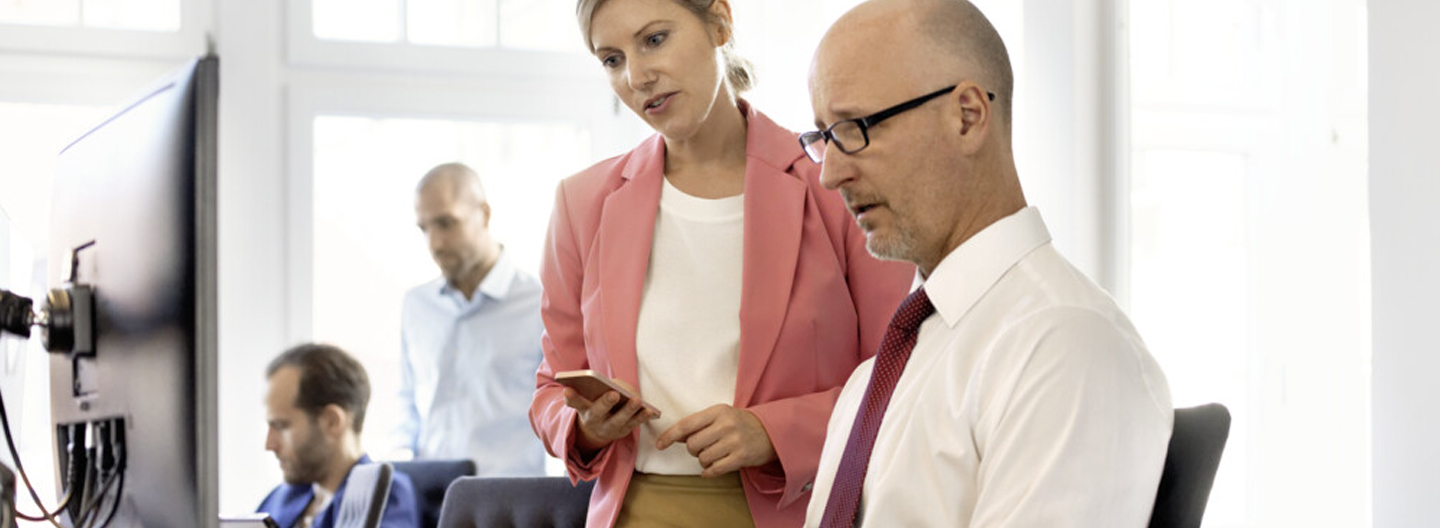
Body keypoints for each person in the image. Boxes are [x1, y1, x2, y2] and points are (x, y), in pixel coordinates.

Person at [529, 0, 913, 527]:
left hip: (799, 510)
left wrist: (774, 432)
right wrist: (590, 427)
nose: (638, 76)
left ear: (720, 22)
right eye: (612, 60)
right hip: (634, 513)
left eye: (655, 39)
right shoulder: (582, 203)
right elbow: (552, 389)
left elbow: (902, 377)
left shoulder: (834, 184)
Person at [801, 1, 1174, 526]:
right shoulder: (881, 373)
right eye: (824, 137)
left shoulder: (1063, 343)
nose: (830, 174)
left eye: (855, 128)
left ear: (967, 115)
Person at [392, 162, 546, 476]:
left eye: (446, 223)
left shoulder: (541, 304)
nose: (434, 244)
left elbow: (559, 414)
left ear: (484, 214)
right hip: (430, 501)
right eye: (425, 228)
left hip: (510, 506)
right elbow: (409, 405)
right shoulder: (417, 306)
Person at [259, 343, 419, 528]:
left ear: (332, 421)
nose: (269, 444)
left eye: (281, 426)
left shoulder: (384, 496)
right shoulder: (281, 498)